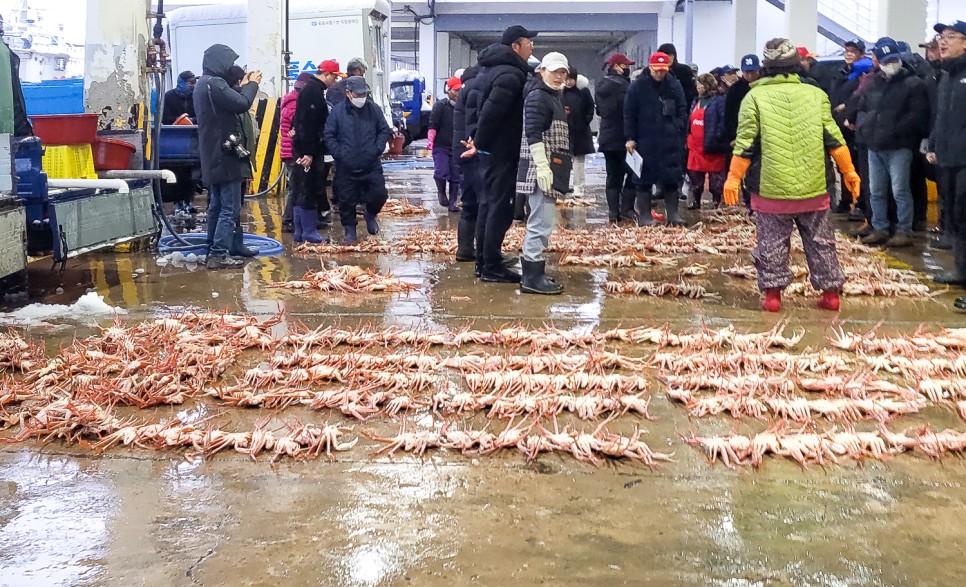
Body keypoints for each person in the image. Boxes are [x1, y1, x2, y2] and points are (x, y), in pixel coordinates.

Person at [724, 38, 859, 313]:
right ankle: (831, 295)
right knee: (821, 242)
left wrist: (733, 178)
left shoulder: (754, 97)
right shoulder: (816, 94)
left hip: (771, 189)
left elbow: (745, 143)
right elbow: (833, 138)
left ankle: (773, 297)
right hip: (815, 187)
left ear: (766, 68)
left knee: (772, 243)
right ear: (797, 66)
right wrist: (849, 171)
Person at [463, 24, 536, 284]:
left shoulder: (490, 69)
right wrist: (479, 142)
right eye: (529, 42)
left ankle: (484, 260)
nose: (532, 47)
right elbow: (492, 112)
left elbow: (475, 107)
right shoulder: (510, 75)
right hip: (501, 149)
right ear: (515, 47)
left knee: (488, 204)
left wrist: (477, 140)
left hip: (491, 148)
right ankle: (491, 265)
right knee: (499, 207)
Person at [855, 38, 930, 248]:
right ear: (878, 61)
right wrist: (864, 128)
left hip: (900, 146)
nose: (891, 63)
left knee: (900, 189)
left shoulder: (913, 84)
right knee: (876, 190)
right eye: (886, 60)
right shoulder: (873, 82)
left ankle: (904, 230)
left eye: (894, 59)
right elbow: (863, 108)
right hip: (875, 145)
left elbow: (917, 115)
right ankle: (880, 227)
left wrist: (893, 131)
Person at [194, 44, 261, 270]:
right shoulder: (215, 84)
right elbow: (242, 104)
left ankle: (222, 246)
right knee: (229, 207)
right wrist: (252, 85)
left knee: (216, 205)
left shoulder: (203, 84)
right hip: (226, 155)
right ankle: (219, 253)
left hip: (213, 153)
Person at [516, 52, 571, 295]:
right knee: (540, 222)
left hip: (552, 167)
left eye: (563, 72)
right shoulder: (538, 97)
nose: (559, 76)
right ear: (542, 71)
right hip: (541, 170)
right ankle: (531, 277)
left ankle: (535, 271)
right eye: (554, 71)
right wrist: (542, 165)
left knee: (544, 222)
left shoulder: (552, 96)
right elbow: (533, 132)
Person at [926, 21, 966, 310]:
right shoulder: (947, 74)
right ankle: (962, 270)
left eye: (950, 37)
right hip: (950, 159)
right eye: (941, 36)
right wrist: (935, 145)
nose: (943, 41)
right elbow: (942, 117)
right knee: (956, 219)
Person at [624, 51, 689, 227]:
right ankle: (645, 216)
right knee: (643, 179)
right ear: (650, 67)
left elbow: (683, 109)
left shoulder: (674, 85)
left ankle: (673, 214)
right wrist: (630, 138)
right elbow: (629, 114)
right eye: (657, 70)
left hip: (670, 140)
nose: (660, 73)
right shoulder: (638, 87)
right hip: (645, 139)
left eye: (663, 70)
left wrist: (679, 128)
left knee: (671, 178)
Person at [323, 76, 391, 244]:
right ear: (348, 93)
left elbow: (383, 130)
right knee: (346, 201)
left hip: (371, 164)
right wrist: (339, 153)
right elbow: (329, 135)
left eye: (364, 94)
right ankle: (350, 230)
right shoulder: (338, 112)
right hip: (346, 166)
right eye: (358, 94)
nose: (362, 98)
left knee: (379, 194)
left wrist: (377, 149)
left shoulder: (373, 109)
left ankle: (370, 213)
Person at [291, 59, 342, 244]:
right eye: (334, 77)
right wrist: (309, 153)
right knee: (310, 188)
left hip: (303, 147)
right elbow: (308, 124)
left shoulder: (312, 89)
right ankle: (309, 232)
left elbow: (300, 121)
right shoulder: (313, 92)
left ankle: (299, 231)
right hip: (308, 150)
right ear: (326, 74)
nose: (335, 82)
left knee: (301, 188)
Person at [596, 53, 636, 222]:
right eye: (625, 65)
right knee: (634, 174)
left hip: (607, 137)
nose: (628, 68)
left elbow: (601, 111)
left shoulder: (601, 85)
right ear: (617, 66)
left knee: (613, 176)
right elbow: (629, 112)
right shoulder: (625, 86)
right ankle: (626, 209)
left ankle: (613, 213)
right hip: (624, 137)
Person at [453, 66, 482, 264]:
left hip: (462, 152)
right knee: (481, 205)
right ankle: (483, 252)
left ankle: (465, 249)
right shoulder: (475, 89)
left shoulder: (463, 91)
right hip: (473, 151)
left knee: (469, 204)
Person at [161, 70, 199, 215]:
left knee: (190, 174)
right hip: (173, 142)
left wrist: (192, 121)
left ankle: (188, 201)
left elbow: (200, 114)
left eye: (194, 83)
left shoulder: (195, 97)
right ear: (181, 83)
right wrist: (179, 120)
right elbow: (164, 117)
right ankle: (177, 202)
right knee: (175, 172)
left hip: (191, 142)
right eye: (190, 83)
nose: (192, 86)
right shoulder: (169, 97)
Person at [686, 74, 727, 210]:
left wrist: (719, 139)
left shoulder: (719, 101)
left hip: (712, 146)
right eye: (698, 84)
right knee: (695, 178)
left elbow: (722, 122)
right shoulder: (696, 101)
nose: (698, 87)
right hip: (695, 147)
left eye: (701, 84)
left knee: (716, 179)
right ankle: (695, 200)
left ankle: (716, 200)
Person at [279, 73, 312, 233]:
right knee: (296, 187)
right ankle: (289, 220)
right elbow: (301, 127)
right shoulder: (295, 105)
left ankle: (291, 219)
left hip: (289, 151)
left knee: (296, 186)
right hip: (293, 152)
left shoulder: (290, 100)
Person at [428, 76, 462, 212]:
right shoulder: (440, 106)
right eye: (456, 90)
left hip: (457, 146)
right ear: (449, 91)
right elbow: (433, 124)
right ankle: (441, 192)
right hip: (441, 146)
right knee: (441, 172)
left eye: (460, 90)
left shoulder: (463, 107)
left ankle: (453, 201)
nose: (458, 93)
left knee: (456, 175)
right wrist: (431, 140)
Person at [562, 67, 595, 198]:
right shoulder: (560, 92)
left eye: (571, 79)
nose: (569, 82)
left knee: (578, 162)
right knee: (563, 161)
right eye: (567, 79)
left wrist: (585, 122)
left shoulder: (583, 91)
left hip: (580, 132)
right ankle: (563, 186)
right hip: (564, 131)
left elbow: (590, 108)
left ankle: (578, 187)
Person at [724, 55, 761, 147]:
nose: (750, 75)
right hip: (741, 135)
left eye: (753, 72)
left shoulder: (765, 86)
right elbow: (729, 115)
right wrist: (733, 136)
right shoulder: (735, 89)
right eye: (746, 72)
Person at [658, 43, 698, 108]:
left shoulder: (684, 70)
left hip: (681, 107)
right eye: (665, 56)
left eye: (670, 55)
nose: (668, 58)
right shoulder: (655, 72)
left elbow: (691, 93)